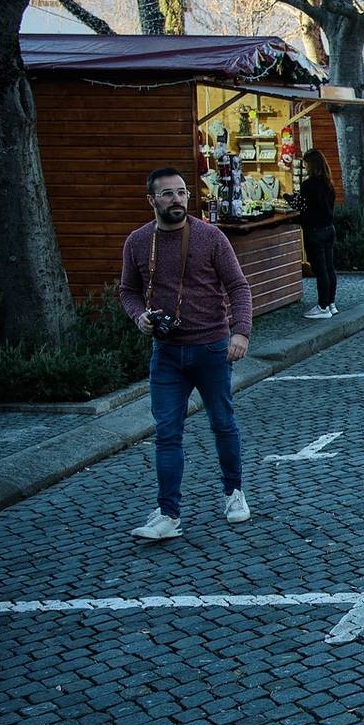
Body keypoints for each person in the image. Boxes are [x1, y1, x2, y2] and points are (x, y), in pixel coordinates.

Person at [120, 167, 254, 541]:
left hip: (211, 347)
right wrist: (139, 317)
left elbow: (239, 287)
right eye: (167, 194)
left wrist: (240, 332)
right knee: (166, 433)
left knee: (223, 423)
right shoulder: (137, 242)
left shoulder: (211, 238)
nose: (177, 200)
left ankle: (234, 492)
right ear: (151, 200)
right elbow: (127, 291)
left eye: (182, 193)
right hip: (166, 353)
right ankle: (168, 513)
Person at [299, 147, 338, 319]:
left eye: (305, 164)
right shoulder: (328, 183)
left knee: (320, 269)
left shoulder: (308, 185)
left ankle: (323, 306)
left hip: (315, 230)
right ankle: (331, 303)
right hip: (329, 228)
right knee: (329, 268)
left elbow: (303, 208)